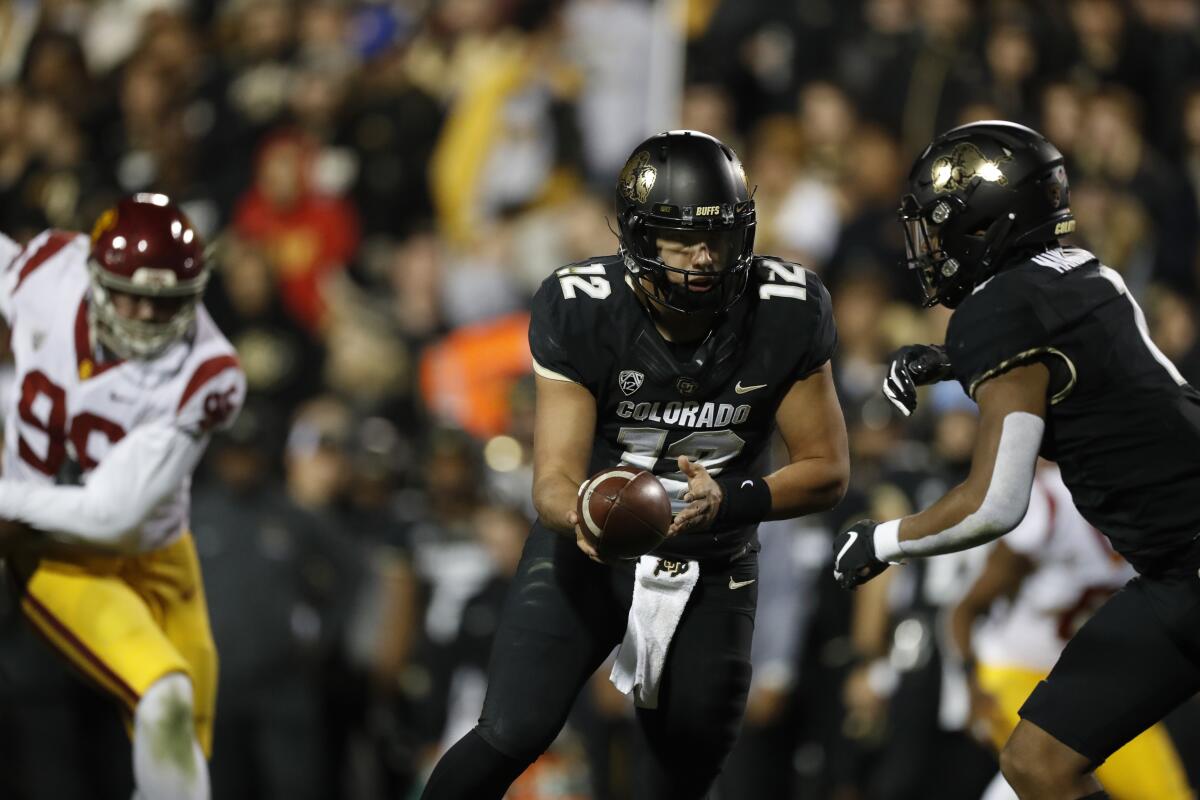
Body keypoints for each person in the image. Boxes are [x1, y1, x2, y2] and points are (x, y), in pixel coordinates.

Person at [421, 129, 850, 799]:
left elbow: (826, 468)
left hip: (713, 557)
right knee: (510, 730)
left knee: (683, 769)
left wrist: (732, 500)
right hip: (593, 553)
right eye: (684, 240)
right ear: (641, 239)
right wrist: (590, 514)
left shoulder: (786, 310)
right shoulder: (583, 306)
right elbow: (554, 482)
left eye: (721, 237)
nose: (706, 259)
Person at [832, 120, 1200, 800]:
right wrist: (950, 362)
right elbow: (1081, 370)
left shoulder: (999, 310)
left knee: (1039, 763)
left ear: (982, 226)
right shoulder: (1088, 274)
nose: (928, 248)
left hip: (1186, 565)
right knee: (1037, 761)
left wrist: (883, 539)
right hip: (1176, 572)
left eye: (939, 227)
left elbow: (996, 502)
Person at [0, 193, 245, 800]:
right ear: (92, 273)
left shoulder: (207, 372)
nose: (141, 314)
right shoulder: (48, 274)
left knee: (186, 752)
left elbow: (114, 514)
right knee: (163, 693)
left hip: (155, 553)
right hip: (54, 550)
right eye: (128, 293)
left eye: (162, 302)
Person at [949, 461, 1190, 800]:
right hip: (1015, 671)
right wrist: (970, 683)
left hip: (1091, 676)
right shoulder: (1047, 503)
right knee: (1038, 766)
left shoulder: (1157, 509)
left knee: (1165, 793)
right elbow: (966, 609)